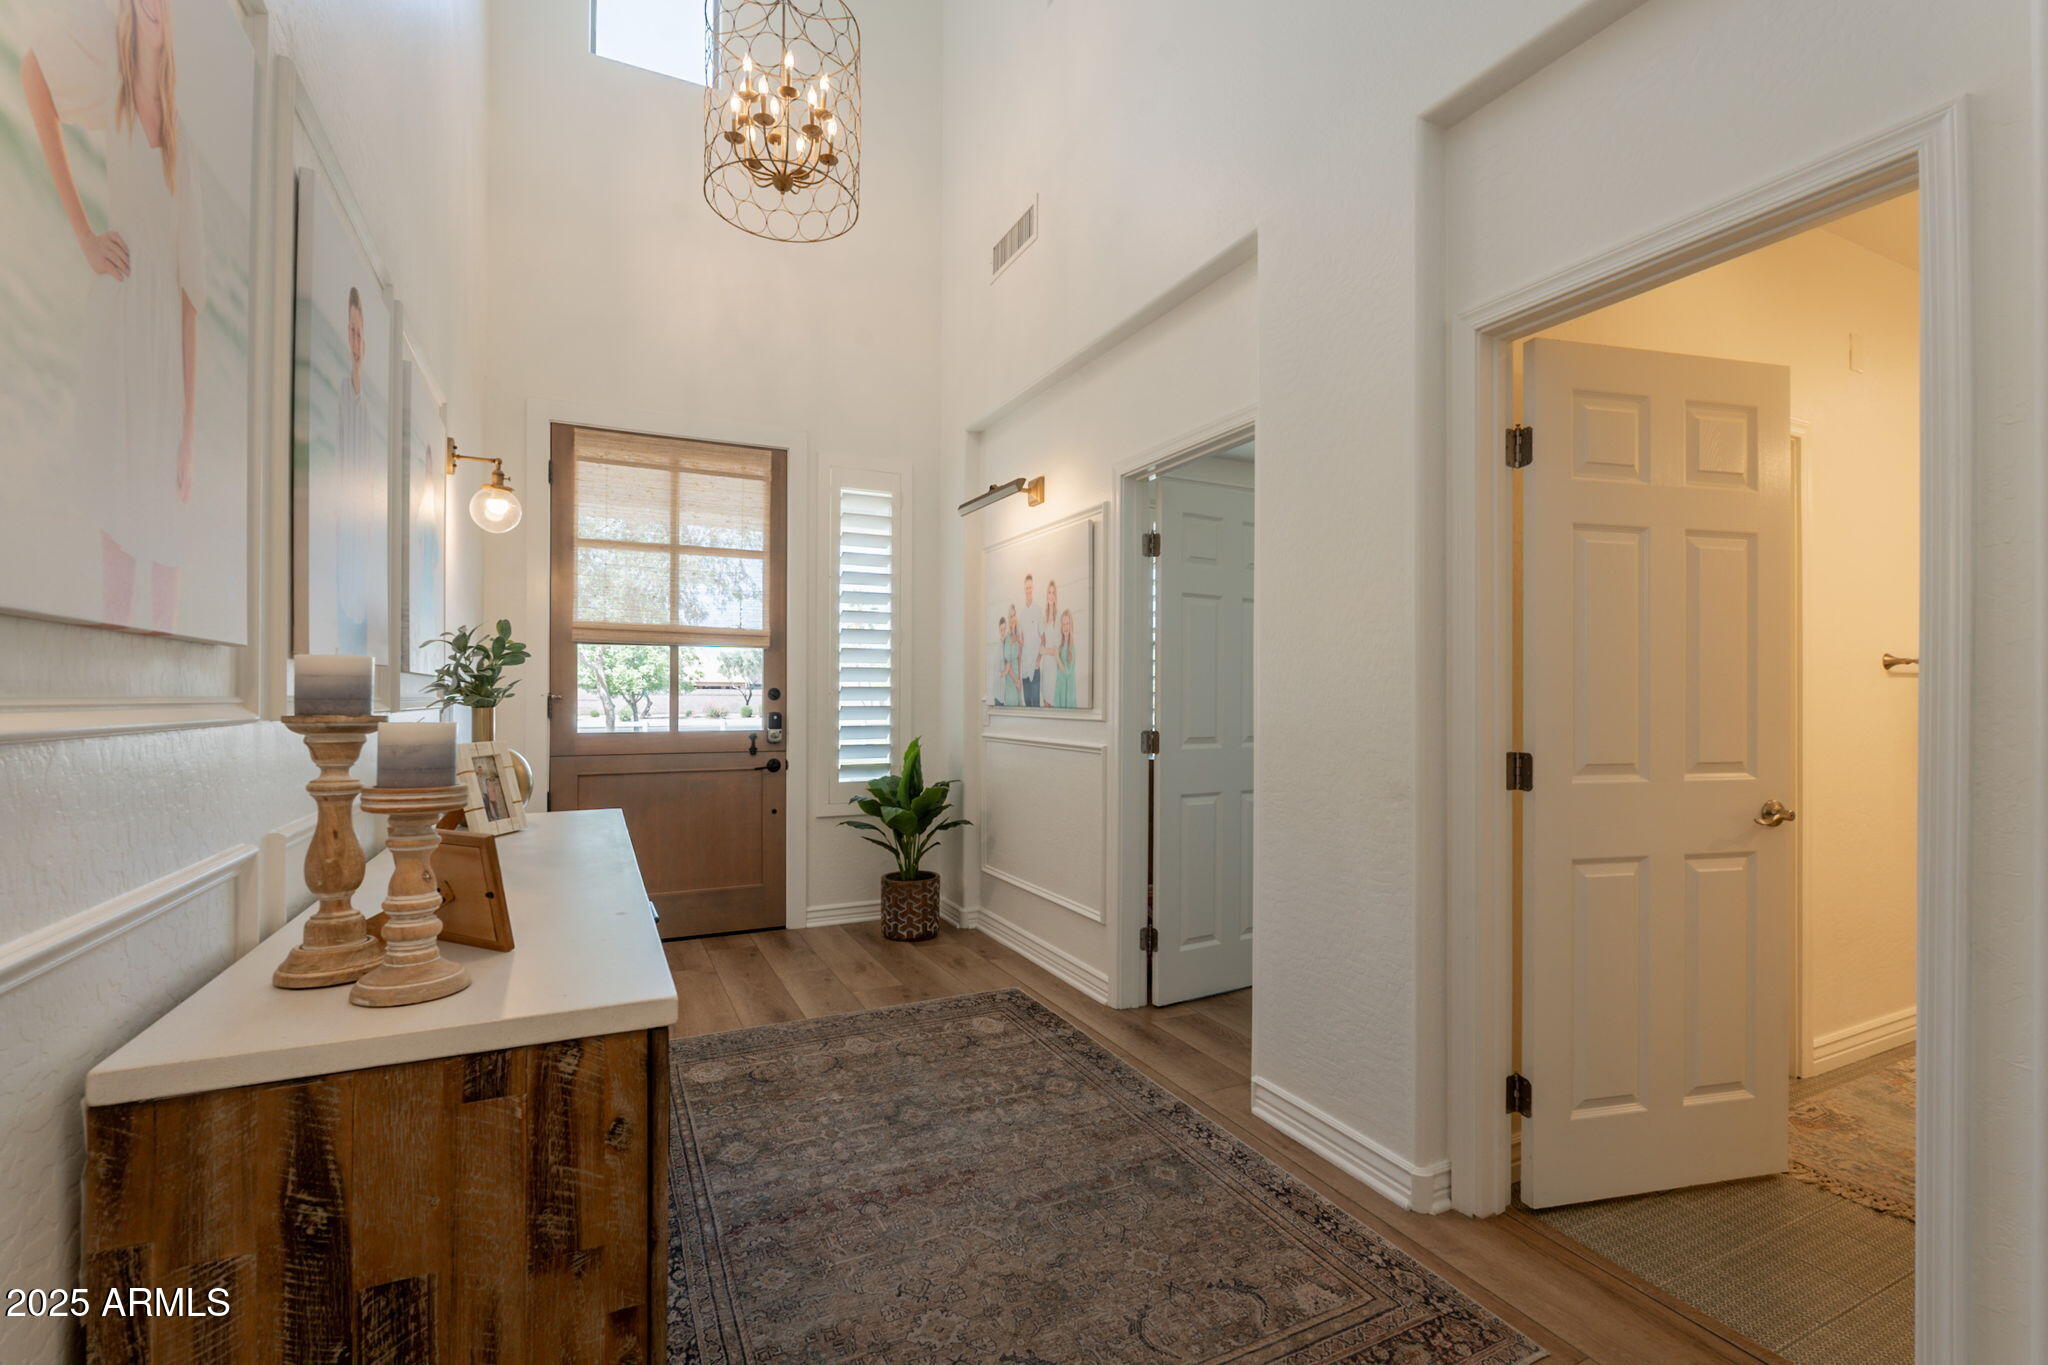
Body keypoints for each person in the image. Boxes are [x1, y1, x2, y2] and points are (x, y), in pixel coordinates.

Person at [24, 0, 204, 632]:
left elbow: (191, 299)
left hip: (160, 361)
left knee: (168, 546)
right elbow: (32, 73)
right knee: (118, 557)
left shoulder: (184, 140)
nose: (154, 5)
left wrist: (187, 434)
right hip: (117, 328)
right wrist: (83, 235)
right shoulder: (114, 89)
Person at [334, 286, 375, 652]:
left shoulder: (366, 407)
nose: (356, 340)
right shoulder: (343, 393)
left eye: (360, 333)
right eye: (352, 331)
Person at [1019, 572, 1043, 706]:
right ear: (1024, 590)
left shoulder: (1038, 611)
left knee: (1036, 707)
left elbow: (1043, 639)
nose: (1028, 590)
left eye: (1030, 587)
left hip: (1035, 668)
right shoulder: (1021, 615)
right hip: (1025, 670)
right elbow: (1021, 642)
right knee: (1027, 706)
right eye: (1026, 588)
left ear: (1033, 589)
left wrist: (1039, 660)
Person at [1037, 579, 1062, 706]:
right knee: (1045, 700)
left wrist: (1045, 650)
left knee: (1052, 701)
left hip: (1053, 664)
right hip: (1045, 664)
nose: (1051, 595)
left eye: (1053, 593)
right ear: (1046, 594)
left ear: (1056, 596)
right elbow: (1041, 641)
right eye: (1049, 592)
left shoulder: (1058, 618)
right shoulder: (1044, 617)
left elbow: (1058, 649)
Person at [1053, 608, 1079, 709]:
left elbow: (1067, 672)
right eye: (1063, 624)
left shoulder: (1072, 647)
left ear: (1071, 625)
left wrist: (1057, 657)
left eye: (1067, 623)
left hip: (1068, 692)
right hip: (1060, 688)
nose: (1065, 627)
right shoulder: (1062, 645)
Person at [999, 608, 1025, 707]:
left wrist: (1020, 681)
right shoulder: (1007, 638)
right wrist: (1016, 681)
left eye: (1014, 615)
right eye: (1010, 616)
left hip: (1018, 680)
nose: (1012, 618)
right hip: (1011, 680)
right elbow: (1007, 664)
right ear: (1008, 618)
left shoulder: (1018, 636)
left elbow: (1019, 660)